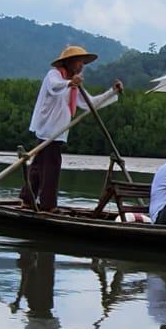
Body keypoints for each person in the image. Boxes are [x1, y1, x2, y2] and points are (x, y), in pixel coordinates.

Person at [23, 45, 122, 212]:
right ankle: (48, 206)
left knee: (39, 166)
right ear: (68, 63)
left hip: (58, 132)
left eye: (82, 62)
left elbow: (90, 103)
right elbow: (55, 87)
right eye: (78, 62)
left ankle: (27, 199)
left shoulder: (74, 87)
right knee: (51, 167)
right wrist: (70, 83)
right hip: (48, 129)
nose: (81, 65)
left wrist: (112, 92)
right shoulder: (54, 75)